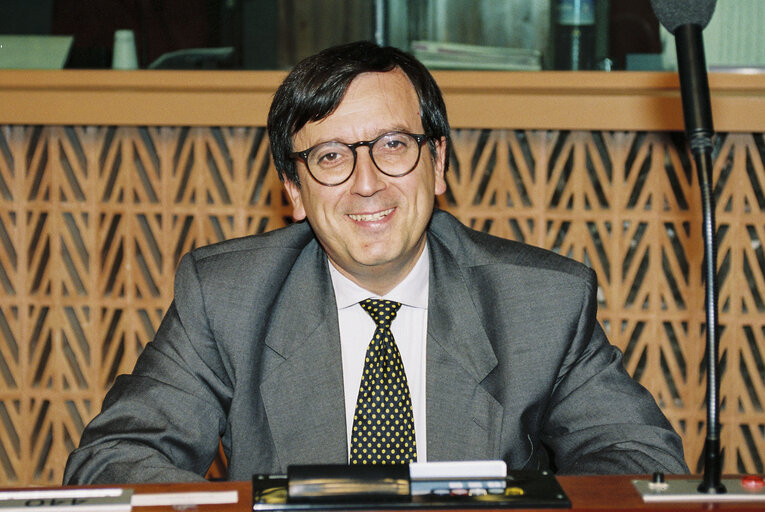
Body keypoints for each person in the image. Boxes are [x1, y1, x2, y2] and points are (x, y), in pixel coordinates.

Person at [63, 41, 688, 484]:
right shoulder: (227, 297)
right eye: (331, 156)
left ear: (438, 163)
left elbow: (637, 462)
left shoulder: (542, 302)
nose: (368, 183)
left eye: (393, 145)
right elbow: (116, 455)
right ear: (294, 189)